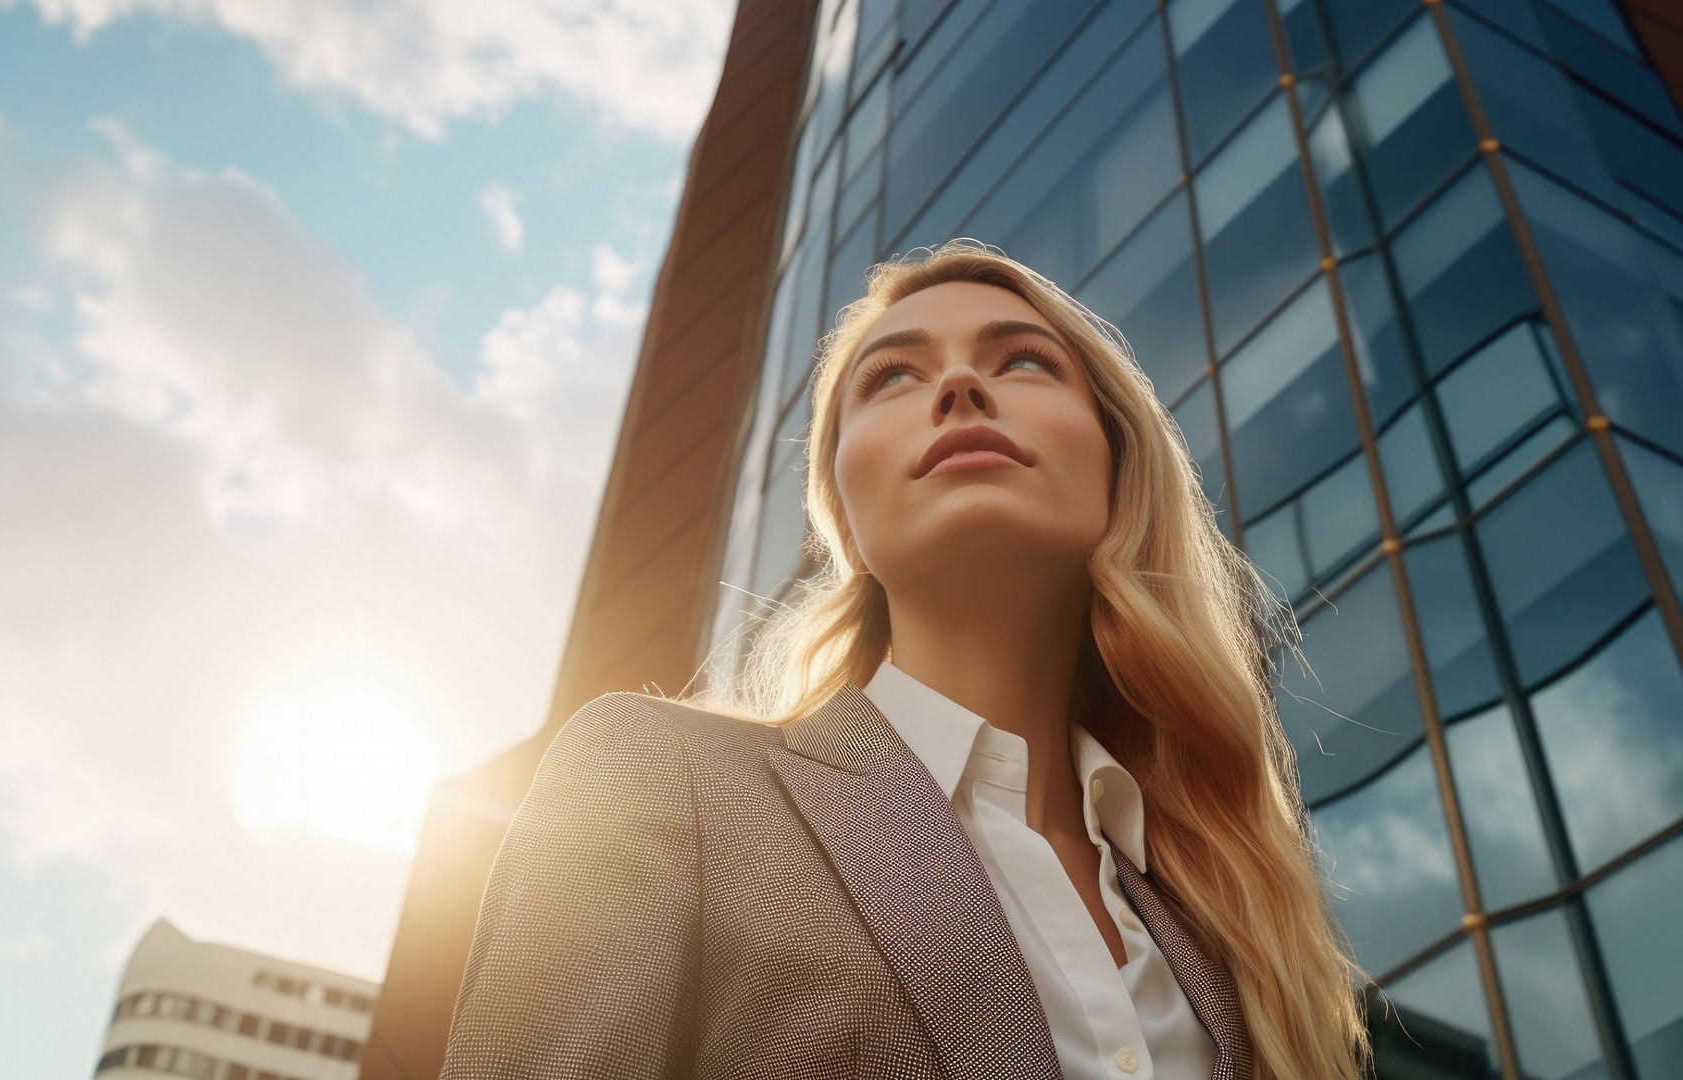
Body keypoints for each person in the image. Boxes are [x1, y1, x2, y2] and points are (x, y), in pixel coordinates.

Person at [438, 239, 1370, 1080]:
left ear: (1117, 463)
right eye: (891, 378)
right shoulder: (657, 775)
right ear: (842, 514)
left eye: (1023, 361)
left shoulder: (1226, 916)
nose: (959, 388)